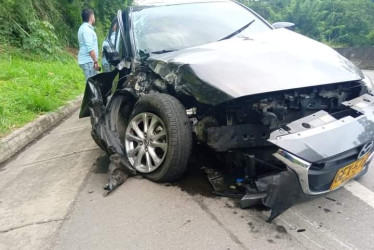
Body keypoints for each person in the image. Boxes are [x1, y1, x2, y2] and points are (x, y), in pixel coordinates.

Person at [78, 9, 99, 81]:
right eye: (94, 16)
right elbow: (90, 48)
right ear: (91, 17)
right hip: (88, 61)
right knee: (91, 83)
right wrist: (96, 62)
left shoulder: (84, 28)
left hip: (88, 61)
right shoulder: (87, 30)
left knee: (92, 83)